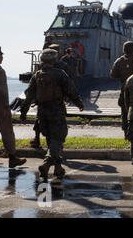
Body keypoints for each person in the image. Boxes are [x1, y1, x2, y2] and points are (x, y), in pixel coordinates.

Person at [20, 49, 84, 180]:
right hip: (56, 110)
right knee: (59, 138)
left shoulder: (37, 75)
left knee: (51, 140)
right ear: (54, 60)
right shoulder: (60, 74)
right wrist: (79, 103)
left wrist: (23, 113)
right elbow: (71, 90)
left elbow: (29, 96)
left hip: (42, 112)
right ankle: (47, 163)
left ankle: (58, 168)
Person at [29, 44, 75, 148]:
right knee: (58, 124)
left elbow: (34, 82)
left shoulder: (42, 66)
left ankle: (38, 140)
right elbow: (70, 79)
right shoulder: (63, 66)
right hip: (57, 101)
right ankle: (55, 149)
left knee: (39, 119)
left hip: (42, 100)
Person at [110, 41, 133, 138]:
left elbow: (113, 75)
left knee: (124, 112)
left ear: (124, 49)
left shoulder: (119, 61)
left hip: (124, 89)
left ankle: (126, 132)